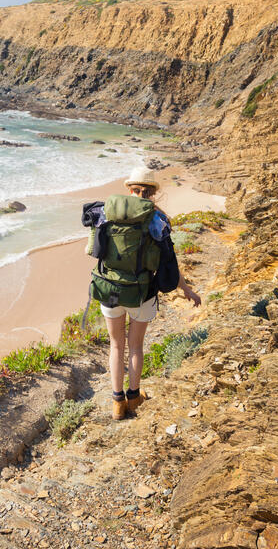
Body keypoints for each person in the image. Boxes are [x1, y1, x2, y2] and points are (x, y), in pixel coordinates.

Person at [104, 170, 201, 421]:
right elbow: (170, 262)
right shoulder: (158, 219)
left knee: (116, 344)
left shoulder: (108, 213)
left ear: (130, 190)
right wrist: (186, 289)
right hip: (142, 292)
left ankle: (117, 403)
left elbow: (91, 250)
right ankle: (134, 398)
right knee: (135, 345)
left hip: (111, 290)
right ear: (154, 193)